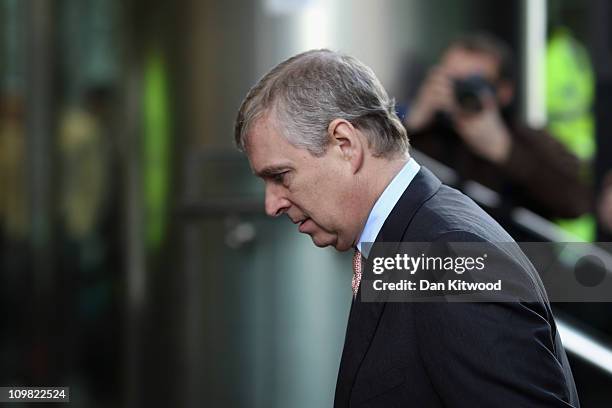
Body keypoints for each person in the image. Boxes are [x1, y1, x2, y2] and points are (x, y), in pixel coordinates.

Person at [234, 49, 579, 407]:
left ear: (346, 144)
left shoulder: (447, 256)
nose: (271, 204)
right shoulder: (411, 238)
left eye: (280, 176)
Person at [405, 33, 591, 220]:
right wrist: (411, 124)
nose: (459, 92)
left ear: (504, 92)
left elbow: (578, 201)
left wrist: (506, 151)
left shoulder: (525, 139)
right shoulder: (424, 134)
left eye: (472, 83)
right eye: (452, 81)